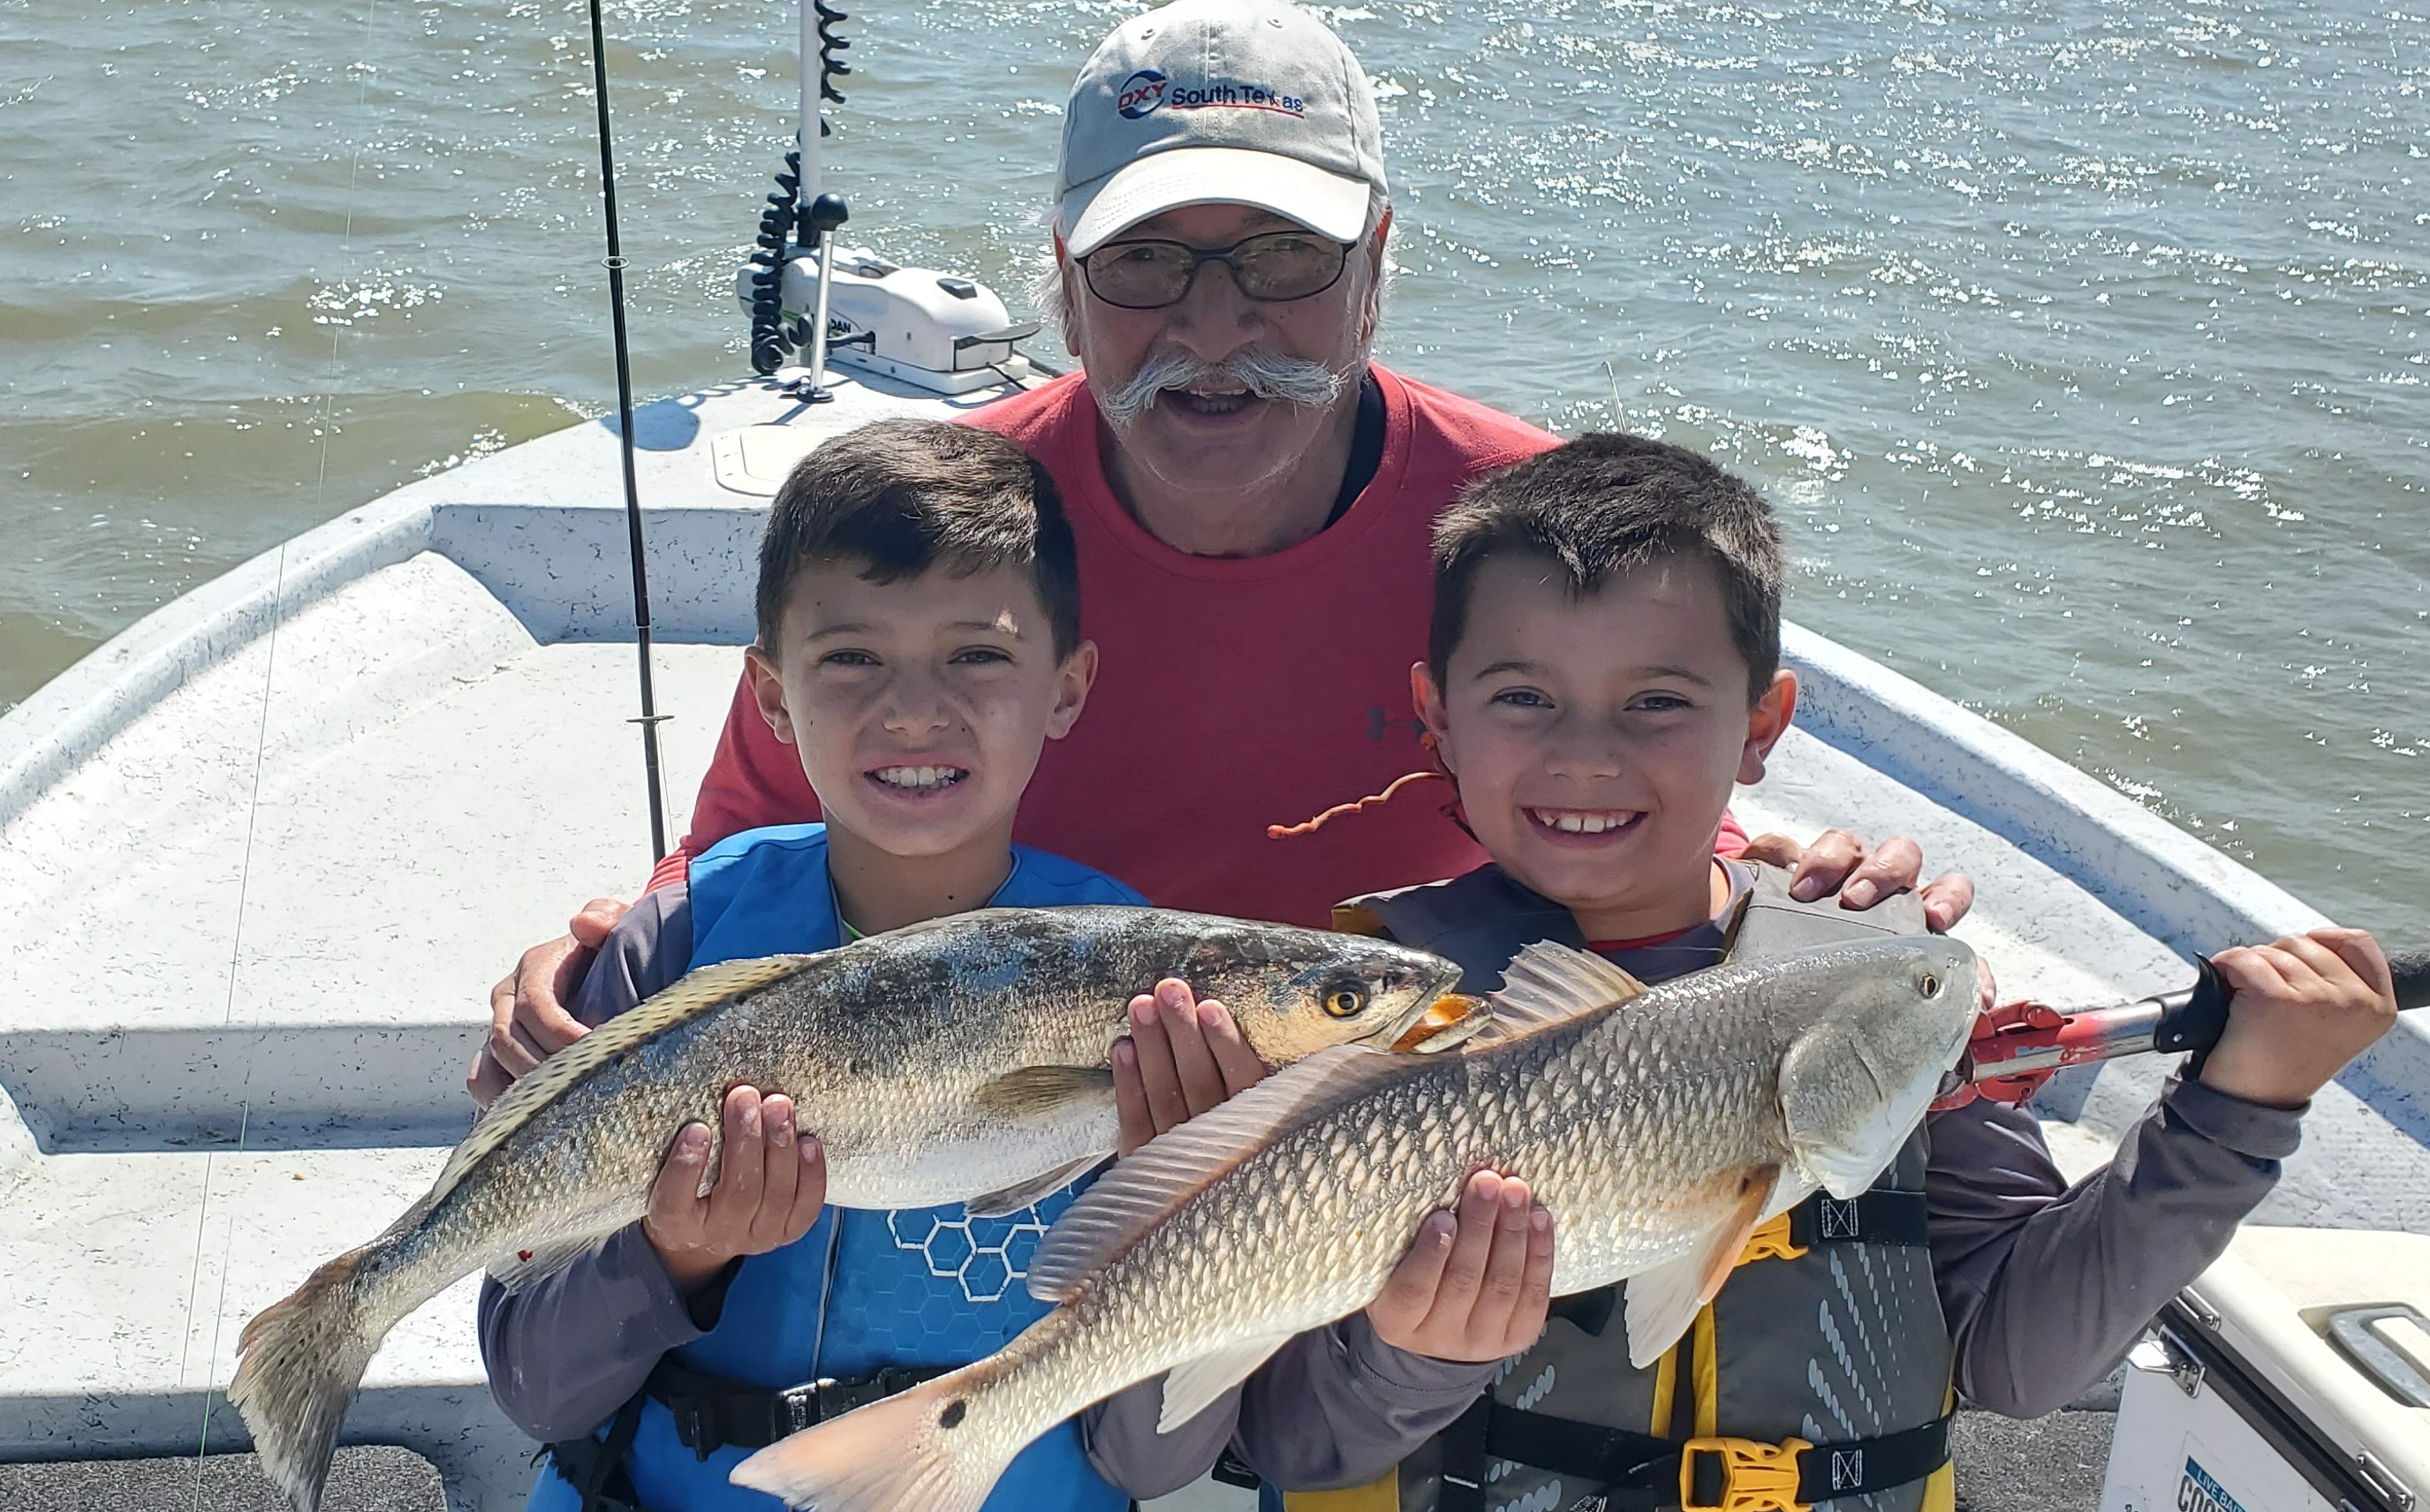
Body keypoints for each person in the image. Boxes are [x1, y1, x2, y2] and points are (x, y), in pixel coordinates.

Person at [468, 0, 1970, 1109]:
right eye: (1143, 261)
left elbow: (1633, 807)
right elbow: (735, 869)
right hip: (1011, 1126)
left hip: (1402, 1123)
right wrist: (597, 981)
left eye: (1281, 256)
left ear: (1377, 267)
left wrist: (1783, 889)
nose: (1211, 324)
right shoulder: (937, 543)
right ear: (1063, 284)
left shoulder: (1530, 531)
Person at [1215, 434, 2399, 1512]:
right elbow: (1282, 1435)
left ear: (1765, 724)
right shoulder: (1374, 1010)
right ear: (1436, 715)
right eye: (1524, 696)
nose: (1587, 753)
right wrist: (1410, 1353)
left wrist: (2235, 1114)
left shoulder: (1877, 988)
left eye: (1658, 701)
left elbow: (2020, 1356)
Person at [481, 418, 1556, 1512]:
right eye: (850, 658)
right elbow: (535, 1380)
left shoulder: (1169, 1019)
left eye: (977, 657)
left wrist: (1184, 1203)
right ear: (769, 692)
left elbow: (1150, 1454)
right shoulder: (676, 948)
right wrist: (673, 1255)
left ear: (1068, 685)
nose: (912, 710)